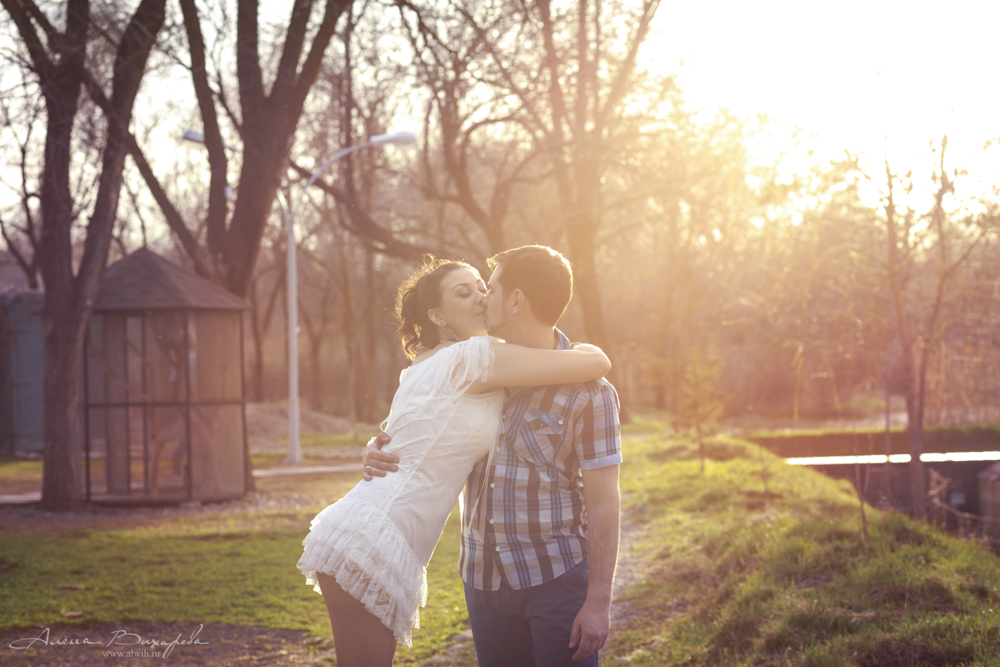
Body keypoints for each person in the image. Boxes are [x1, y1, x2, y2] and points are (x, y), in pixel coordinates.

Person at [297, 256, 612, 667]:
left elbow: (409, 432)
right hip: (379, 537)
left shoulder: (423, 364)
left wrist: (375, 445)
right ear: (437, 315)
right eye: (464, 293)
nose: (481, 297)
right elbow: (596, 364)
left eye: (483, 286)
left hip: (361, 525)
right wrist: (592, 348)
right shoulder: (474, 357)